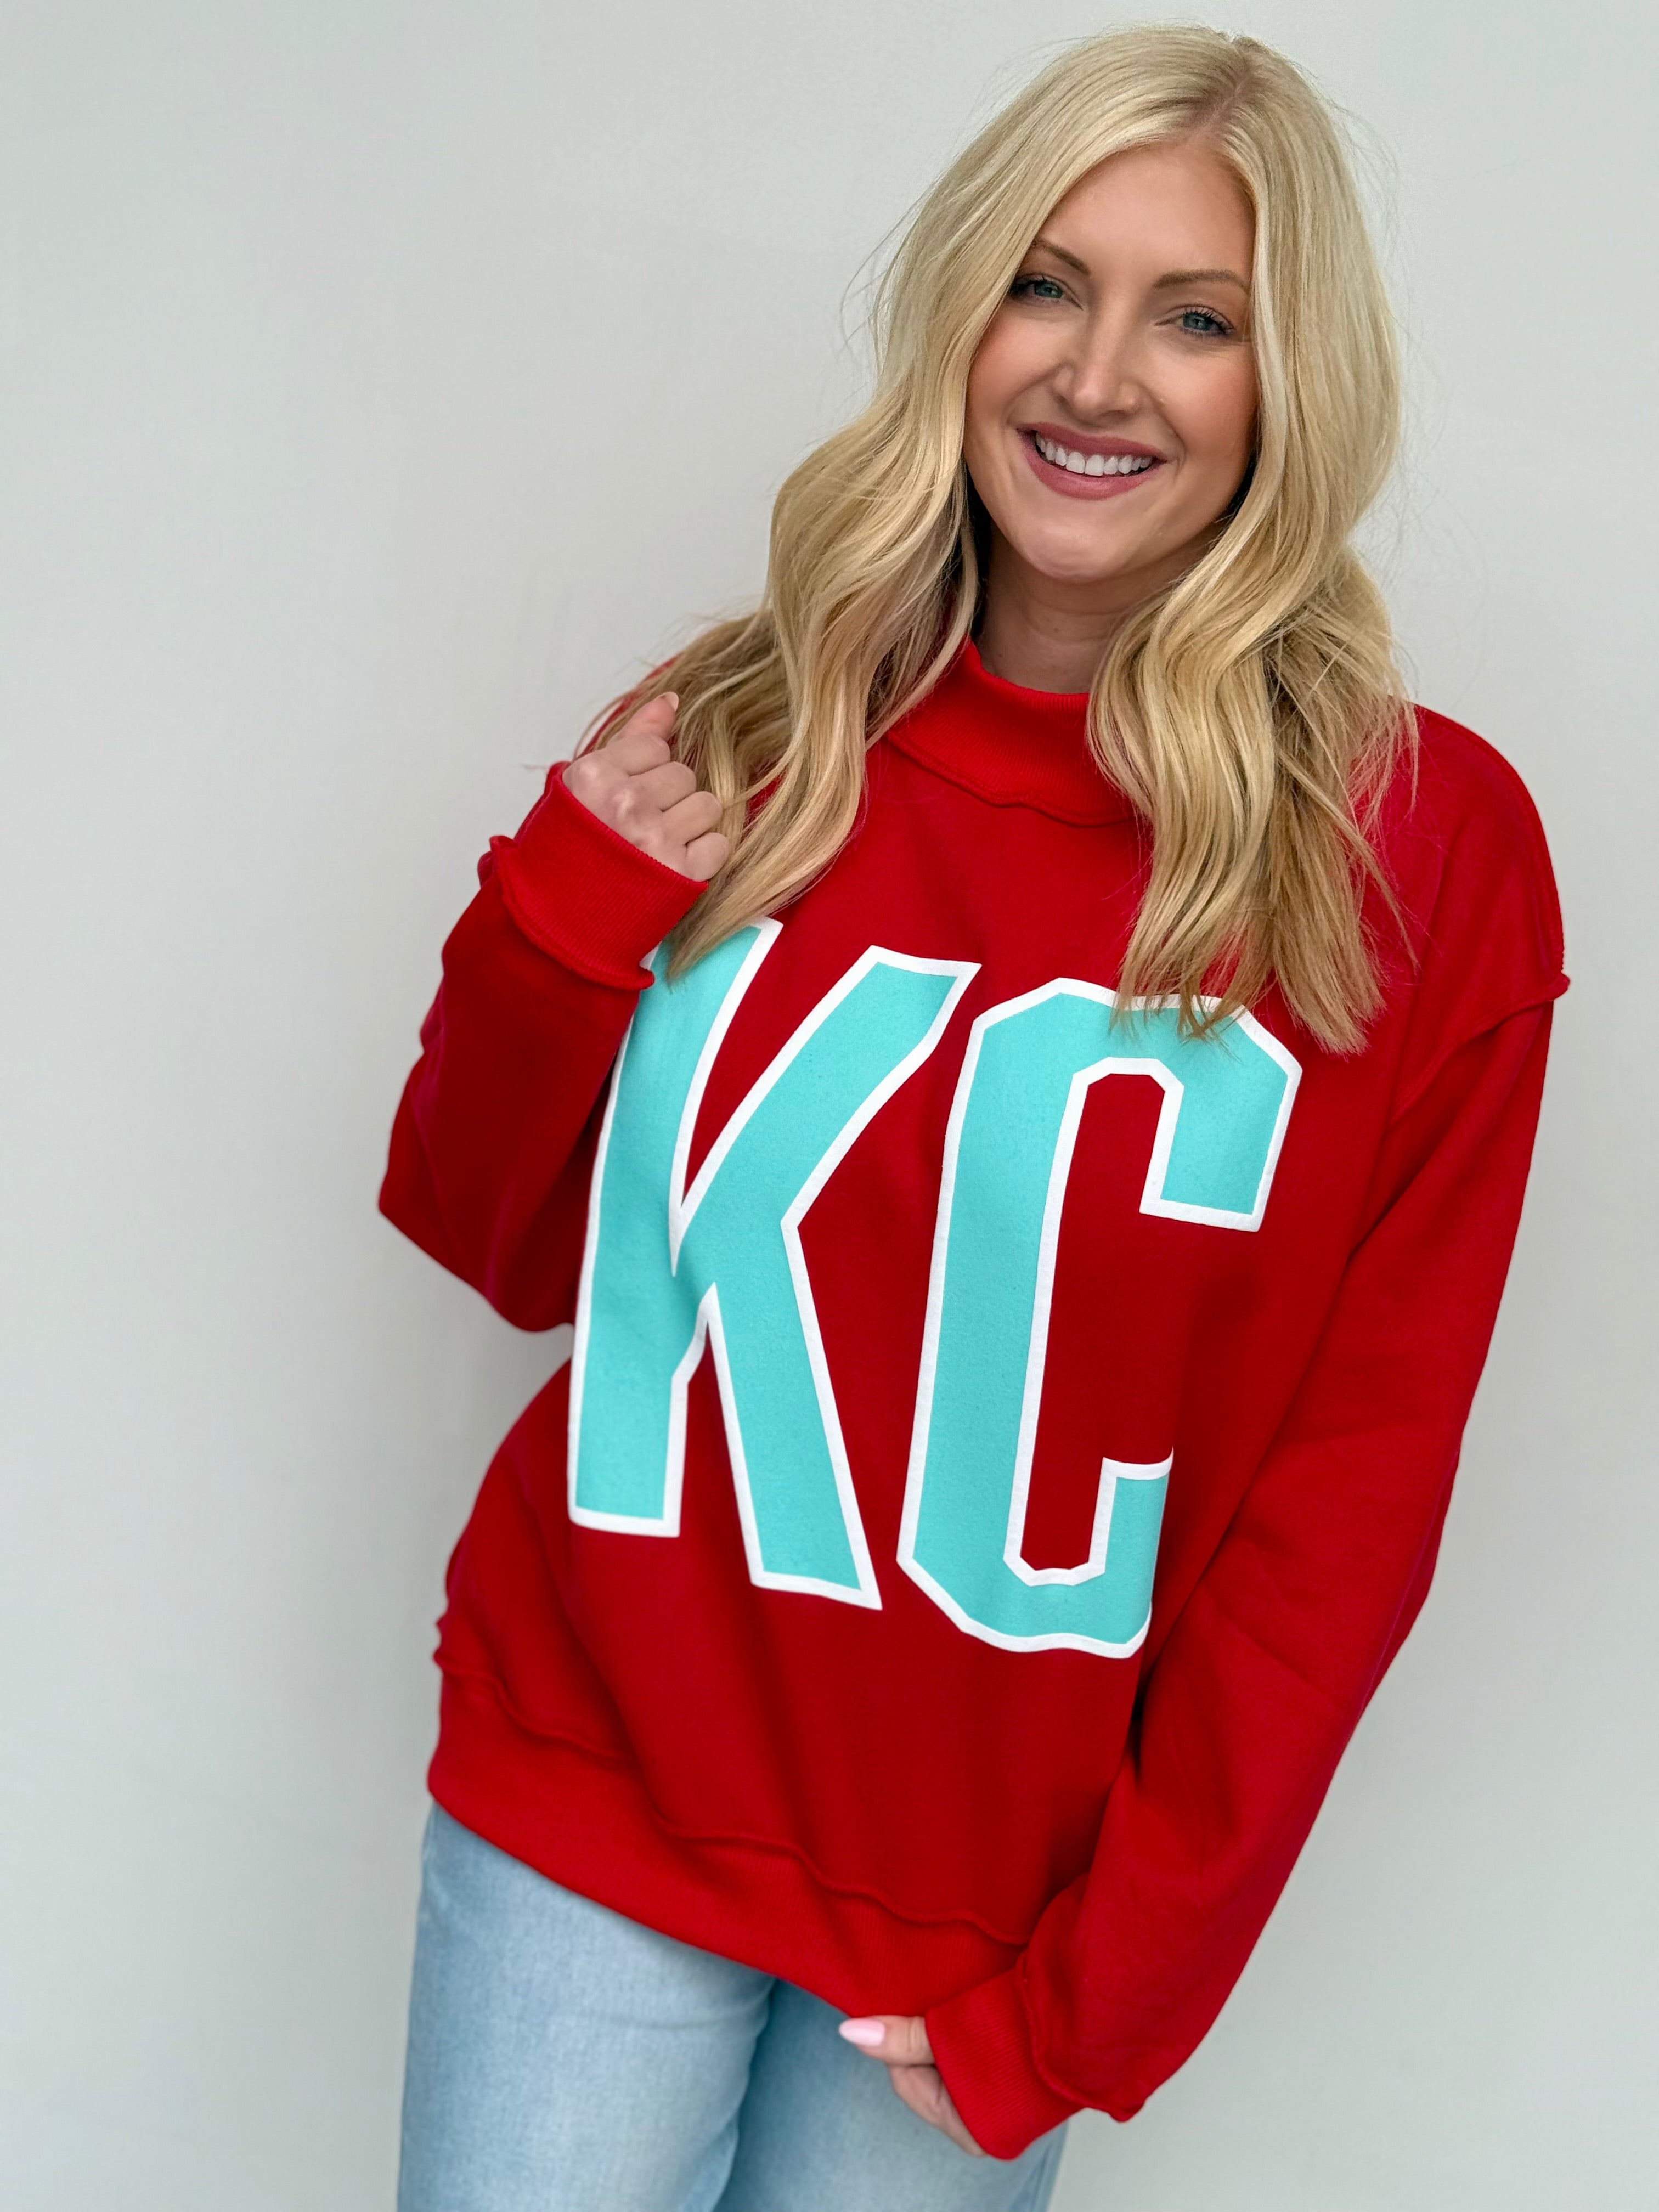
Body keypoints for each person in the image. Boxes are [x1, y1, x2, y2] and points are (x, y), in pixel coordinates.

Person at [380, 24, 1565, 2210]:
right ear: (961, 314)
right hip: (595, 1791)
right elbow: (502, 1244)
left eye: (1195, 318)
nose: (1098, 375)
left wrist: (1107, 1992)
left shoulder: (1417, 853)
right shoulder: (750, 722)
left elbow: (1346, 1510)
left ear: (1288, 381)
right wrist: (560, 921)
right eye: (1046, 283)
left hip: (985, 1932)